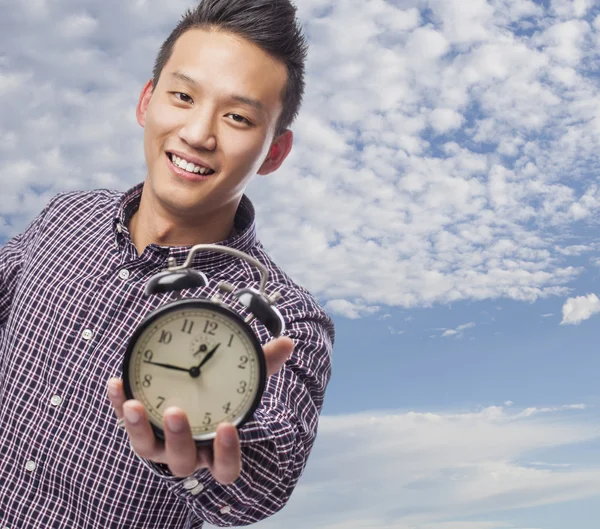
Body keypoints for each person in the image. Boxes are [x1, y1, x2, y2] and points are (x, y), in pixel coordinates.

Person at [0, 0, 334, 527]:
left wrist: (212, 453)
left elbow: (269, 474)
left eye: (238, 118)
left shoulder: (286, 319)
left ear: (274, 152)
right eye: (183, 96)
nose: (198, 134)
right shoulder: (64, 215)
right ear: (146, 101)